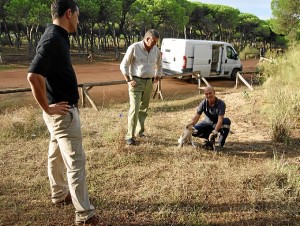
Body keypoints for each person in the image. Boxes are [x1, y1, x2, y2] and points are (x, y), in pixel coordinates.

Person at [27, 0, 100, 225]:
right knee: (75, 163)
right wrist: (47, 108)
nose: (78, 20)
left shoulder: (56, 36)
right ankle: (84, 215)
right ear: (69, 13)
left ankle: (58, 194)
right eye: (78, 15)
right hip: (62, 113)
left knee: (55, 155)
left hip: (57, 115)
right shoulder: (53, 39)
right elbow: (33, 75)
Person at [120, 29, 162, 145]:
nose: (155, 44)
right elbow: (124, 65)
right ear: (147, 38)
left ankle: (140, 131)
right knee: (134, 108)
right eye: (153, 41)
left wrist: (157, 76)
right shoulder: (134, 47)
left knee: (144, 109)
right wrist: (128, 80)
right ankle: (130, 136)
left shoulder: (155, 50)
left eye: (156, 42)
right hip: (136, 82)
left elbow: (159, 64)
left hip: (149, 82)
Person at [190, 86, 231, 150]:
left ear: (214, 93)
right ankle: (208, 139)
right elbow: (197, 116)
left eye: (210, 93)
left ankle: (219, 144)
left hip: (217, 124)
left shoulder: (221, 104)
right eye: (206, 94)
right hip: (207, 123)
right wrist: (190, 126)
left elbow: (220, 120)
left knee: (226, 122)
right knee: (193, 131)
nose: (208, 95)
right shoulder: (203, 103)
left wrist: (215, 131)